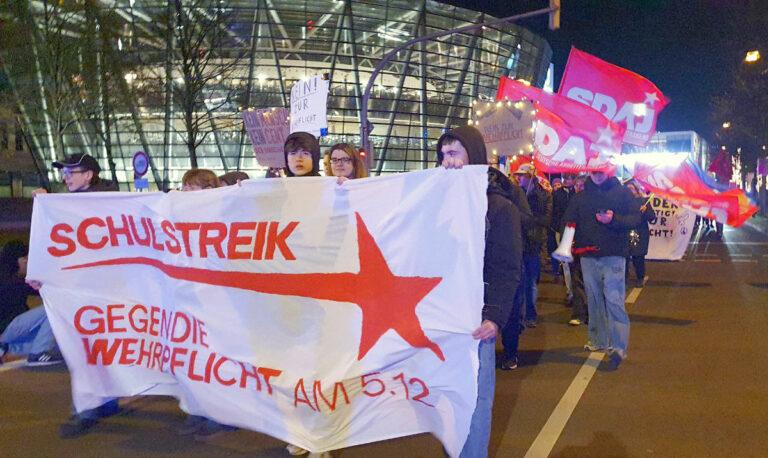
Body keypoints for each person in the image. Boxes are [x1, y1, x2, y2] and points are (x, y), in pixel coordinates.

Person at [436, 125, 522, 457]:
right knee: (447, 398)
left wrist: (496, 317)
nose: (447, 161)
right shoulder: (437, 200)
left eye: (454, 153)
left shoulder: (499, 208)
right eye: (443, 154)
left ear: (474, 156)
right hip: (443, 314)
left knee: (474, 399)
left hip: (477, 320)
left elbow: (506, 267)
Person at [25, 153, 121, 437]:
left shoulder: (101, 202)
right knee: (88, 349)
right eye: (63, 172)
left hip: (98, 291)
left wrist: (52, 203)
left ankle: (88, 408)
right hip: (83, 290)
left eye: (71, 172)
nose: (65, 177)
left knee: (86, 349)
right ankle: (100, 403)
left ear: (89, 175)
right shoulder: (69, 205)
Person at [561, 170, 640, 369]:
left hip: (614, 255)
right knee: (594, 299)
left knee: (614, 300)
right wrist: (566, 245)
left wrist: (613, 220)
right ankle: (598, 340)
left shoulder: (622, 193)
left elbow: (635, 219)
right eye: (594, 171)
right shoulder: (581, 197)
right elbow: (568, 221)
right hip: (588, 258)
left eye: (600, 170)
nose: (597, 174)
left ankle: (619, 347)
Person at [625, 182, 657, 288]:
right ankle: (625, 278)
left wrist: (646, 210)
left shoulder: (644, 202)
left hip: (639, 232)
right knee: (624, 256)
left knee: (638, 256)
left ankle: (640, 277)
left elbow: (652, 217)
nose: (629, 191)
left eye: (632, 189)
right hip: (625, 232)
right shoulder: (621, 202)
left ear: (636, 190)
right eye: (627, 189)